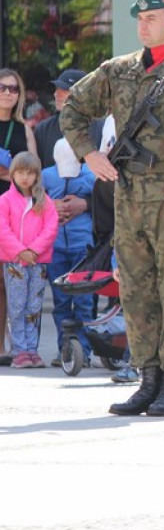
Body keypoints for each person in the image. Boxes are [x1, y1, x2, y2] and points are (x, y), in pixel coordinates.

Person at [61, 0, 164, 417]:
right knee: (134, 290)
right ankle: (146, 378)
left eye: (153, 18)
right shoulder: (119, 71)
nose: (144, 24)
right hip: (129, 197)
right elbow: (73, 108)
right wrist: (89, 154)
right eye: (141, 18)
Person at [0, 152, 58, 368]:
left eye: (30, 173)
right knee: (16, 305)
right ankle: (19, 351)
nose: (25, 177)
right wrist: (20, 251)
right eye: (20, 173)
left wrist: (34, 250)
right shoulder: (4, 201)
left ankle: (32, 349)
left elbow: (50, 228)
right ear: (13, 174)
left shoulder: (44, 201)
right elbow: (2, 230)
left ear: (37, 176)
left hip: (37, 261)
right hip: (15, 262)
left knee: (34, 306)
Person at [42, 139, 96, 367]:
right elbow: (31, 201)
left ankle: (84, 351)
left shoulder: (91, 175)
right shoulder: (46, 176)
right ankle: (63, 350)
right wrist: (48, 205)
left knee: (84, 301)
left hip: (83, 246)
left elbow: (104, 202)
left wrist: (85, 203)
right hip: (56, 247)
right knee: (61, 302)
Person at [0, 68, 38, 364]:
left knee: (8, 283)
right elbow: (20, 172)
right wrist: (14, 173)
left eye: (14, 89)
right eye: (3, 87)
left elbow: (32, 172)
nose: (8, 93)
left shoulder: (23, 129)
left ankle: (6, 347)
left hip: (15, 211)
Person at [34, 69, 106, 169]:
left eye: (64, 90)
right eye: (56, 88)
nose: (56, 94)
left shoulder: (103, 128)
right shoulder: (43, 129)